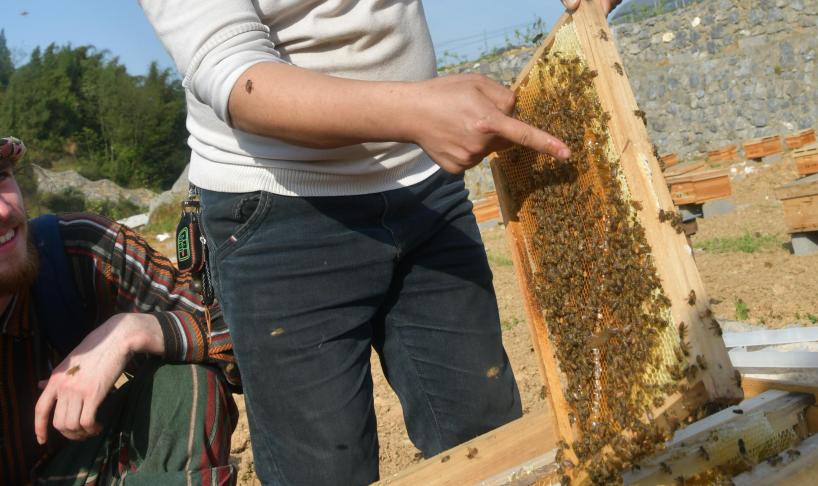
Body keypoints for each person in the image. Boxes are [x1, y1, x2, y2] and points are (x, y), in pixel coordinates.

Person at [140, 0, 620, 484]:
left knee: (490, 441)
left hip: (426, 187)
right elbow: (236, 77)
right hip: (278, 212)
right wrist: (416, 111)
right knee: (325, 471)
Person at [0, 136, 239, 485]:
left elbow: (261, 337)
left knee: (182, 380)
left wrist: (129, 331)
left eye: (2, 176)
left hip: (78, 468)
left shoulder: (78, 254)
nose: (5, 211)